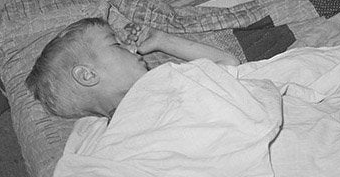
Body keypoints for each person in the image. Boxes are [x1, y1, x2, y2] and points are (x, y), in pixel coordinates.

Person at [25, 17, 239, 119]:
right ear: (88, 75)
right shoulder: (109, 140)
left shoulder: (166, 85)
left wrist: (162, 40)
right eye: (116, 44)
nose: (132, 47)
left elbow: (228, 65)